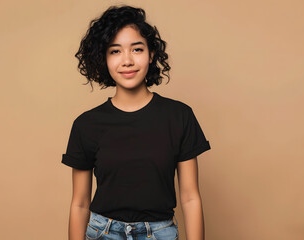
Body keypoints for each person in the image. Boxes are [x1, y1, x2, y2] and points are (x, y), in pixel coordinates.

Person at [62, 5, 211, 240]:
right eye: (115, 51)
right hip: (103, 233)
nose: (127, 60)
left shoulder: (179, 116)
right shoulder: (86, 124)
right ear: (103, 58)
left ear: (151, 54)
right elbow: (79, 204)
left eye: (137, 49)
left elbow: (191, 198)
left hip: (160, 233)